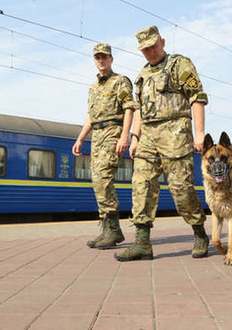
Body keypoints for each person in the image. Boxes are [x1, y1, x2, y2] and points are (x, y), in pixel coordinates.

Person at [114, 25, 209, 262]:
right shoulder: (142, 75)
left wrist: (199, 133)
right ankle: (142, 242)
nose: (150, 52)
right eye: (145, 49)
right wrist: (135, 137)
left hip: (176, 133)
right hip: (148, 136)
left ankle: (199, 233)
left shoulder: (180, 65)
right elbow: (140, 111)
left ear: (163, 42)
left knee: (181, 189)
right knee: (141, 185)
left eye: (153, 47)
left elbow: (197, 97)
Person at [73, 43, 137, 249]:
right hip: (97, 136)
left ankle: (114, 230)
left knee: (103, 178)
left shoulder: (120, 82)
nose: (101, 60)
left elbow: (129, 108)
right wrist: (81, 138)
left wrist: (124, 136)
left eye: (104, 57)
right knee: (97, 181)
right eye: (97, 57)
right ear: (94, 60)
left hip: (112, 133)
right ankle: (107, 229)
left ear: (111, 59)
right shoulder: (94, 87)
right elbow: (91, 116)